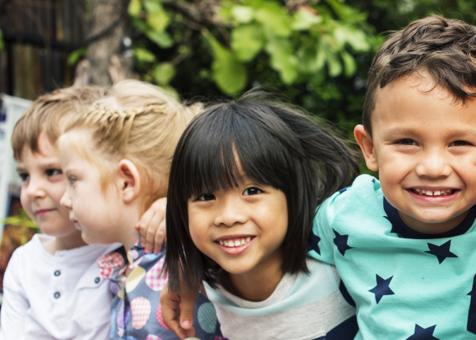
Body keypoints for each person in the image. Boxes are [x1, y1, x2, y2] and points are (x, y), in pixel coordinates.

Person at [161, 15, 476, 340]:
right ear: (369, 148)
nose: (433, 167)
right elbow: (253, 225)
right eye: (406, 142)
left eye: (459, 143)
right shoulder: (343, 216)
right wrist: (182, 260)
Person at [162, 92, 359, 339]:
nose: (228, 216)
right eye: (205, 196)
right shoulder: (206, 287)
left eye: (252, 191)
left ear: (292, 193)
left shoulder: (340, 258)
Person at [56, 80, 222, 340]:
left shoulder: (188, 258)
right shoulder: (125, 262)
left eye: (73, 179)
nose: (64, 199)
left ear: (127, 182)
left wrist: (179, 211)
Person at [1, 86, 167, 339]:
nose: (32, 190)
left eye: (54, 172)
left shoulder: (131, 247)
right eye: (24, 175)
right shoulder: (24, 264)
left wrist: (173, 206)